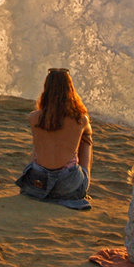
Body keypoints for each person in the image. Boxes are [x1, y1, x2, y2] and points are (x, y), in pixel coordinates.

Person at [15, 68, 93, 210]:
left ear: (46, 89)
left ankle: (41, 169)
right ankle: (83, 186)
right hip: (68, 185)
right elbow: (87, 132)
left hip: (37, 182)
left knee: (41, 139)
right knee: (86, 138)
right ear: (70, 89)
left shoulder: (33, 117)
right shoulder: (80, 120)